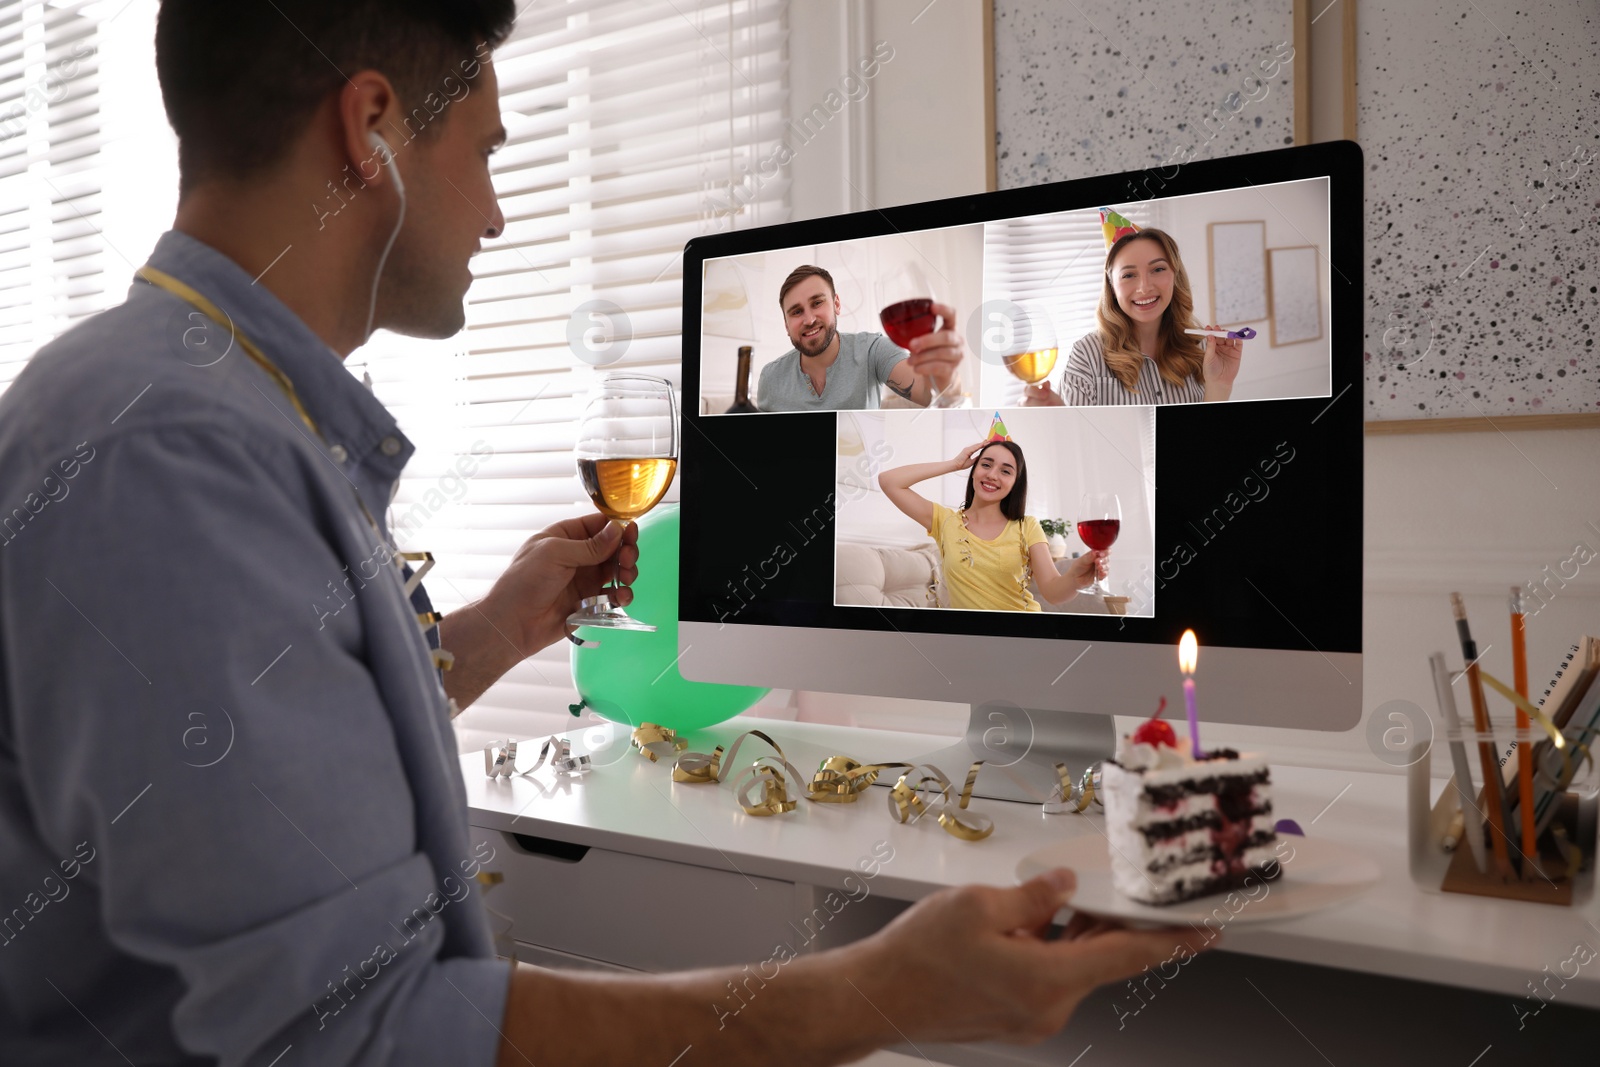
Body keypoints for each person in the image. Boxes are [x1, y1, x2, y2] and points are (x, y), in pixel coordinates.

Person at [0, 4, 1207, 1064]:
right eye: (481, 154)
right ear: (369, 133)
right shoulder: (170, 457)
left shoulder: (209, 405)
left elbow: (271, 757)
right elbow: (348, 1039)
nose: (497, 212)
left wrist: (492, 633)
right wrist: (875, 992)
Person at [1023, 227, 1245, 406]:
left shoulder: (1200, 347)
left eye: (1158, 269)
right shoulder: (1087, 356)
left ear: (1175, 276)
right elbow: (1073, 436)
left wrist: (1220, 384)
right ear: (1112, 287)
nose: (1144, 287)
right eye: (1128, 275)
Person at [878, 439, 1109, 612]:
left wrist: (1075, 577)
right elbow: (889, 481)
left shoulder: (1027, 527)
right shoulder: (945, 521)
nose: (992, 475)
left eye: (1005, 471)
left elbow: (1052, 591)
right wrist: (954, 464)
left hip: (1021, 635)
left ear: (1015, 483)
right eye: (985, 465)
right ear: (974, 470)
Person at [756, 264, 968, 411]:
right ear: (786, 325)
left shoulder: (873, 350)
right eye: (796, 312)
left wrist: (943, 373)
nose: (809, 319)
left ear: (836, 304)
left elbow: (928, 395)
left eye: (817, 303)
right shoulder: (770, 378)